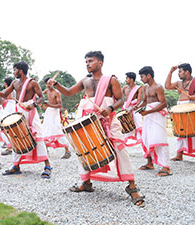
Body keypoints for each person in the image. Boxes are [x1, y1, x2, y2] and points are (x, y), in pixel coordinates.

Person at [47, 51, 144, 207]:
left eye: (90, 61)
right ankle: (86, 182)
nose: (87, 64)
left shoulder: (111, 80)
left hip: (107, 120)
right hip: (88, 120)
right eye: (86, 61)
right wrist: (56, 85)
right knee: (84, 150)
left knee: (120, 149)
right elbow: (69, 92)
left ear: (100, 63)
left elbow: (120, 100)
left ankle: (132, 186)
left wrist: (111, 107)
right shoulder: (85, 81)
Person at [0, 61, 52, 178]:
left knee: (37, 136)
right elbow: (3, 94)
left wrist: (33, 104)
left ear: (20, 71)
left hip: (30, 111)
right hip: (18, 110)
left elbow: (41, 97)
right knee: (16, 136)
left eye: (14, 70)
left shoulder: (32, 83)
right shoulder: (14, 83)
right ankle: (16, 166)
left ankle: (47, 166)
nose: (13, 72)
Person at [137, 66, 171, 176]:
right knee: (146, 137)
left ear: (148, 76)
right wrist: (135, 108)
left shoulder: (158, 87)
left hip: (157, 115)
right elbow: (144, 102)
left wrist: (148, 112)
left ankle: (166, 167)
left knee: (159, 138)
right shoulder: (145, 87)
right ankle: (149, 163)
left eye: (142, 76)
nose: (141, 79)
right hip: (148, 115)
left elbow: (163, 103)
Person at [165, 63, 195, 160]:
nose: (178, 74)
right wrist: (170, 72)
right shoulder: (178, 83)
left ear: (187, 72)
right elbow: (167, 86)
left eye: (180, 71)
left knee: (193, 132)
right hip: (180, 108)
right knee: (180, 132)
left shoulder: (194, 82)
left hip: (191, 107)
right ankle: (179, 154)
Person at [40, 77, 71, 159]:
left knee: (56, 130)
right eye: (47, 83)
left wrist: (49, 105)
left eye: (50, 83)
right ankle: (45, 150)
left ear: (53, 83)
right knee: (45, 130)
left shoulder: (56, 92)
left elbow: (60, 106)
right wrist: (41, 103)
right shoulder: (46, 91)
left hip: (55, 112)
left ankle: (67, 151)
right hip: (48, 112)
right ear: (46, 84)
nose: (48, 85)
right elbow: (40, 95)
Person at [122, 72, 143, 146]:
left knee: (138, 124)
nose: (126, 80)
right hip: (126, 108)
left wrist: (133, 108)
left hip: (134, 108)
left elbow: (139, 100)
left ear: (131, 79)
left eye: (127, 78)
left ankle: (143, 142)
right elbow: (119, 98)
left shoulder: (139, 88)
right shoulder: (124, 88)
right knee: (125, 125)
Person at [0, 77, 16, 156]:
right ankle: (10, 144)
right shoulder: (14, 90)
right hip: (12, 106)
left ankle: (9, 146)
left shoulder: (7, 90)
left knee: (4, 125)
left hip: (9, 107)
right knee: (9, 127)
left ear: (6, 83)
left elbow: (3, 97)